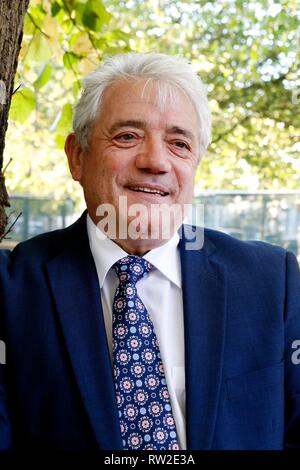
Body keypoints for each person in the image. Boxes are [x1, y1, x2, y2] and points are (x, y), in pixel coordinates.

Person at [0, 52, 300, 451]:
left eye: (178, 143)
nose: (155, 161)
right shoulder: (12, 288)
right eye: (127, 136)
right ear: (77, 156)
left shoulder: (271, 280)